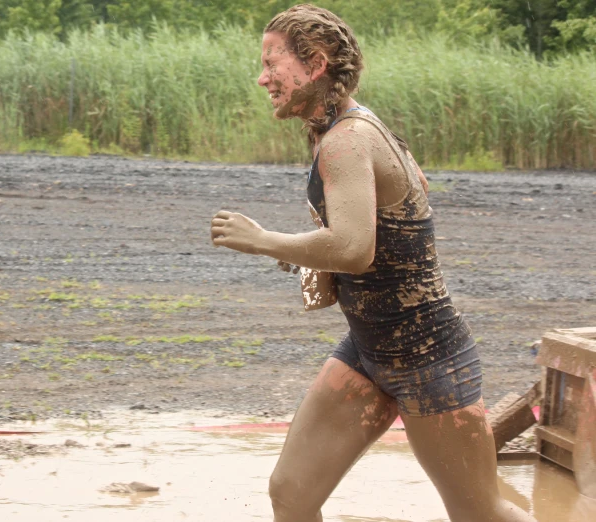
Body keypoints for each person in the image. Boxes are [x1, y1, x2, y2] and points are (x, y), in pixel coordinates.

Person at [209, 5, 537, 522]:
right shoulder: (342, 125)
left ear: (315, 63)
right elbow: (401, 204)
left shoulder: (346, 139)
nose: (262, 77)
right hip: (369, 350)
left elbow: (354, 249)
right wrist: (307, 252)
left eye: (272, 63)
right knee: (291, 493)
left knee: (482, 514)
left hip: (430, 360)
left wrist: (266, 240)